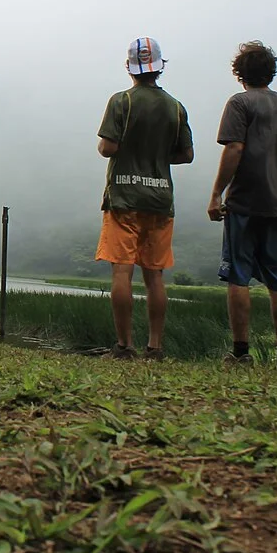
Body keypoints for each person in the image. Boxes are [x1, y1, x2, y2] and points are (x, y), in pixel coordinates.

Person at [207, 42, 277, 369]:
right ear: (271, 72)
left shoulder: (239, 103)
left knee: (238, 276)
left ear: (240, 73)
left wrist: (217, 193)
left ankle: (241, 353)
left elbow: (234, 148)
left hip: (244, 202)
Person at [96, 37, 194, 360]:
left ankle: (124, 346)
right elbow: (186, 154)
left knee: (122, 271)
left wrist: (127, 148)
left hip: (124, 197)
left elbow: (107, 147)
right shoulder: (176, 107)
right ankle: (155, 347)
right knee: (155, 275)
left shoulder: (121, 101)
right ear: (160, 67)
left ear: (129, 67)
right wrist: (158, 155)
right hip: (160, 199)